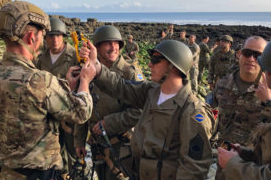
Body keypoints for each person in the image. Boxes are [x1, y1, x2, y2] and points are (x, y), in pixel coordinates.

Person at [0, 0, 95, 180]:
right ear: (31, 38)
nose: (45, 41)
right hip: (40, 174)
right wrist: (85, 81)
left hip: (5, 173)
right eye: (43, 35)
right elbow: (82, 112)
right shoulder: (40, 80)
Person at [81, 39, 216, 180]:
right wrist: (96, 66)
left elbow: (193, 169)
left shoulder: (192, 111)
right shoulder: (151, 92)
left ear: (174, 67)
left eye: (156, 60)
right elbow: (121, 87)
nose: (150, 64)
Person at [74, 25, 144, 180]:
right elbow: (81, 106)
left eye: (116, 43)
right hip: (97, 147)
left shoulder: (129, 72)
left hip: (122, 147)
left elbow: (140, 110)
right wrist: (79, 141)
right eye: (108, 43)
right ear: (97, 47)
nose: (113, 47)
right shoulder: (88, 70)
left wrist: (109, 123)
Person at [213, 36, 270, 180]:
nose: (251, 58)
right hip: (224, 162)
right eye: (247, 53)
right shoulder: (222, 85)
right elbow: (213, 116)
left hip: (255, 169)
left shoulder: (268, 93)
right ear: (239, 54)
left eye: (258, 55)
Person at [36, 17, 79, 178]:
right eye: (50, 36)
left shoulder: (74, 55)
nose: (54, 40)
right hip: (49, 114)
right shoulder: (41, 58)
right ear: (45, 38)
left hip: (70, 112)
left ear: (63, 37)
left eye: (58, 36)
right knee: (55, 152)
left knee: (74, 151)